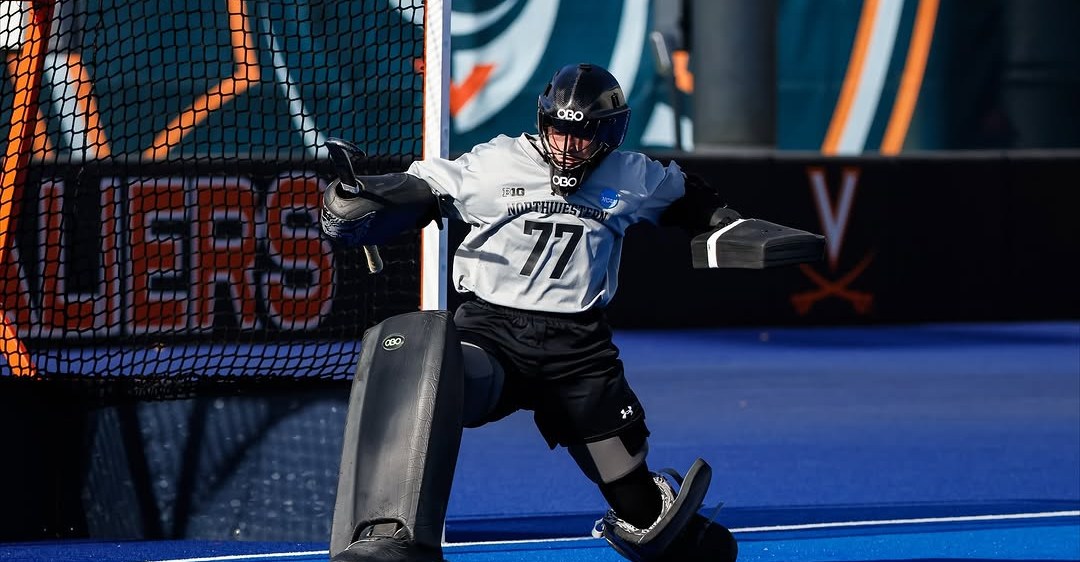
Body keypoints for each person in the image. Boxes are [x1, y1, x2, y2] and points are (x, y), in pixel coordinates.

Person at [321, 62, 760, 562]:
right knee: (421, 370)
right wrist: (365, 198)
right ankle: (386, 538)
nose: (567, 145)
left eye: (583, 134)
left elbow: (689, 199)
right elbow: (425, 186)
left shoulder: (635, 177)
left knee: (640, 510)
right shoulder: (497, 164)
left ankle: (665, 526)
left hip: (580, 353)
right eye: (558, 129)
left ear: (610, 133)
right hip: (492, 335)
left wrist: (728, 223)